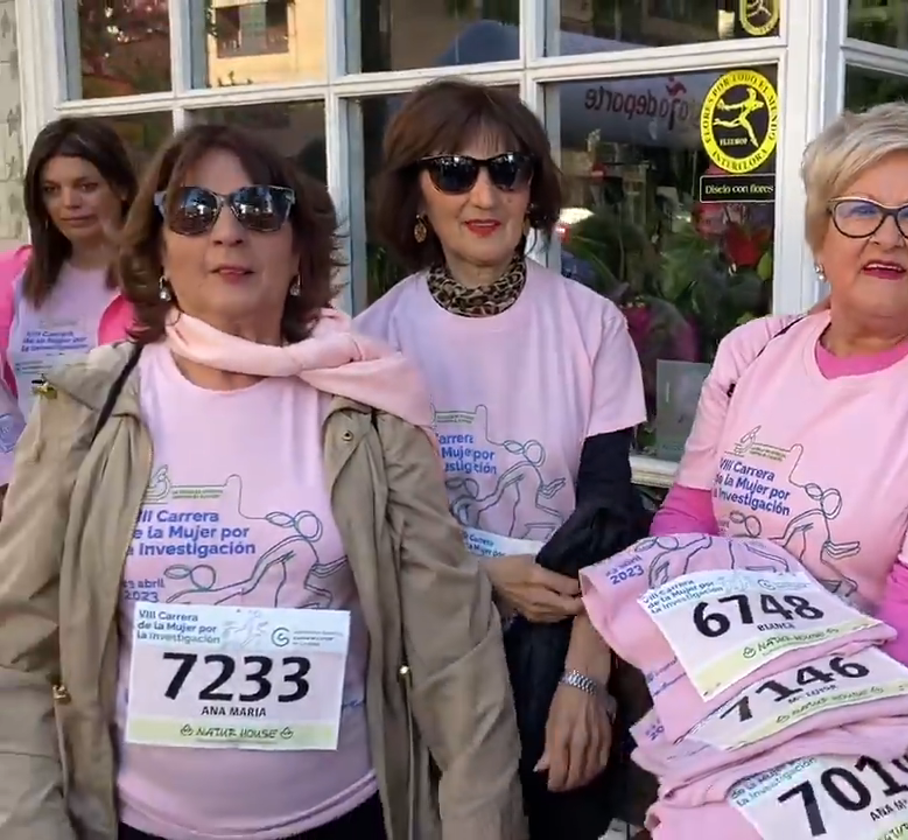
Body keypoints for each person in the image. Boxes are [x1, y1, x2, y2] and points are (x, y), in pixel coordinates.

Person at [0, 123, 524, 840]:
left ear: (298, 252)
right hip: (135, 825)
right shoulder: (85, 409)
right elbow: (17, 650)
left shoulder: (371, 405)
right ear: (157, 248)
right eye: (193, 210)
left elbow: (455, 654)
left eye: (258, 210)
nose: (226, 232)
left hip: (345, 818)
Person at [650, 101, 908, 809]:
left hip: (901, 770)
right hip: (738, 723)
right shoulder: (753, 352)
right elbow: (687, 521)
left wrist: (774, 751)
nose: (887, 238)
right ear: (819, 235)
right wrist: (687, 676)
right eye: (858, 210)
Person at [354, 79, 646, 838]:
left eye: (507, 170)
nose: (483, 194)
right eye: (454, 171)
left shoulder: (592, 326)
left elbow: (611, 513)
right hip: (433, 651)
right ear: (416, 196)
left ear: (532, 190)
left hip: (564, 646)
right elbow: (366, 524)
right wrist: (483, 574)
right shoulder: (372, 341)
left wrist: (587, 677)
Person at [0, 117, 138, 491]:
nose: (69, 203)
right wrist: (9, 474)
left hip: (131, 486)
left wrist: (135, 260)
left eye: (86, 186)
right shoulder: (12, 276)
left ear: (122, 187)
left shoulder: (163, 276)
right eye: (51, 189)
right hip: (34, 488)